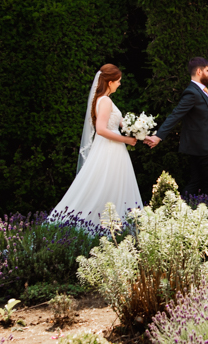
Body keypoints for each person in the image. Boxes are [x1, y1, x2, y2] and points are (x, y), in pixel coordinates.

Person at [50, 64, 143, 226]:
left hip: (113, 148)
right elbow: (101, 129)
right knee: (104, 184)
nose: (119, 84)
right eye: (118, 81)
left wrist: (145, 135)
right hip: (109, 149)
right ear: (110, 82)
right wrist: (126, 140)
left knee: (111, 185)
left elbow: (123, 123)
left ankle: (112, 224)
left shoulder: (103, 100)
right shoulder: (105, 101)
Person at [145, 57, 208, 195]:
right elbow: (176, 115)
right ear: (199, 71)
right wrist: (158, 136)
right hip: (203, 146)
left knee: (196, 182)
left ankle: (182, 207)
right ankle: (202, 208)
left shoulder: (204, 91)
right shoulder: (192, 93)